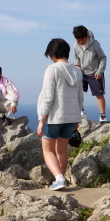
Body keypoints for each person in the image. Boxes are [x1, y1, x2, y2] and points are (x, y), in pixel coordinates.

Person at [37, 38, 84, 191]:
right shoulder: (77, 71)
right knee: (62, 151)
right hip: (71, 117)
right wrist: (78, 117)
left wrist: (42, 119)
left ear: (52, 53)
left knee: (48, 150)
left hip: (54, 117)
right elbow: (80, 97)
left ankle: (58, 178)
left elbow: (48, 96)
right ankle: (61, 179)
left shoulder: (52, 69)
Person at [73, 25, 108, 123]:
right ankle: (81, 112)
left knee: (99, 94)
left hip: (95, 73)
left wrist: (99, 71)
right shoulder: (75, 45)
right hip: (82, 73)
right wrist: (76, 65)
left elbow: (103, 58)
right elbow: (76, 58)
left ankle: (102, 115)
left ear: (87, 36)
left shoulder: (95, 44)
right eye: (78, 39)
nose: (80, 42)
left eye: (81, 39)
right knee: (77, 92)